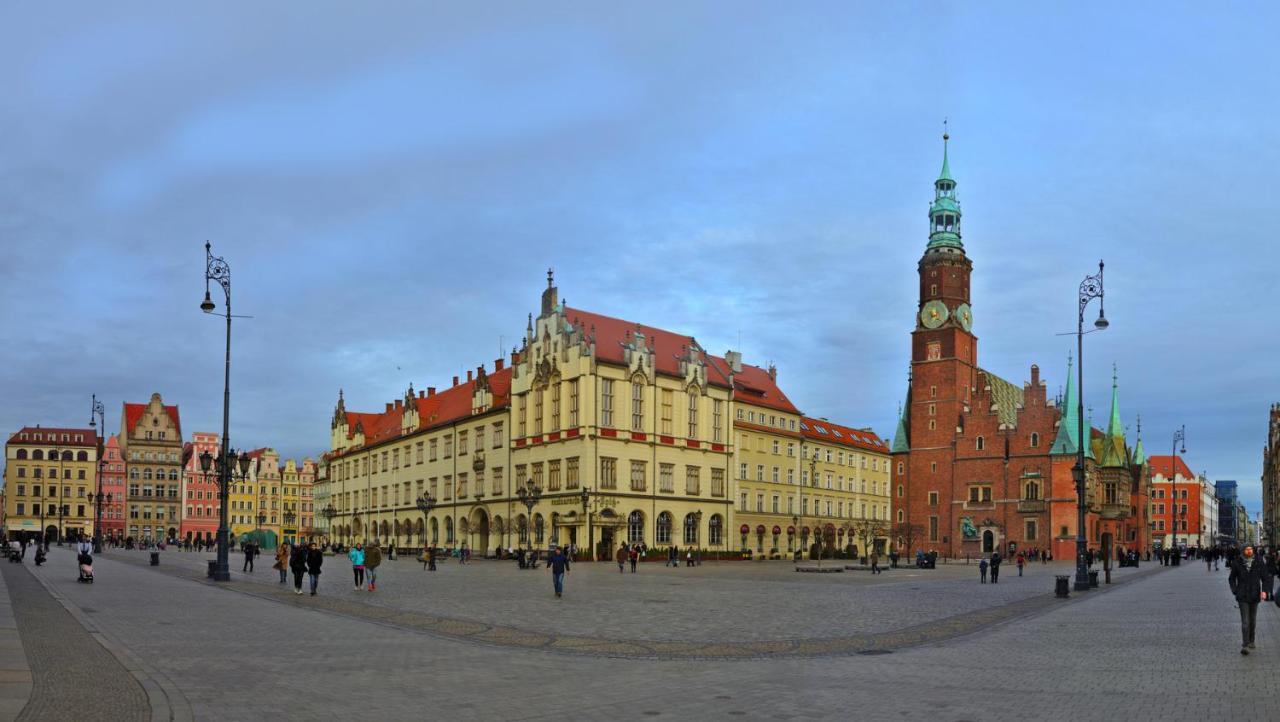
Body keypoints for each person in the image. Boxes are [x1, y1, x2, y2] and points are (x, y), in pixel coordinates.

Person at [1228, 544, 1272, 654]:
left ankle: (1252, 640)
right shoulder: (1237, 562)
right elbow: (1231, 578)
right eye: (1247, 549)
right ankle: (1245, 644)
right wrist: (1235, 590)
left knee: (1252, 620)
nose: (1249, 551)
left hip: (1255, 594)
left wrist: (1264, 591)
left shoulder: (1258, 561)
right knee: (1245, 621)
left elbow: (1265, 578)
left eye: (1251, 549)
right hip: (1242, 595)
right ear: (1243, 551)